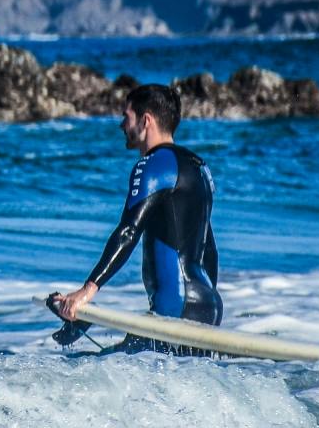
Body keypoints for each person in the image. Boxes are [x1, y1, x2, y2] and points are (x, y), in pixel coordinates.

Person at [51, 83, 221, 351]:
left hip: (175, 306)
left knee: (102, 369)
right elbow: (208, 249)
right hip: (208, 303)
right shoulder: (199, 167)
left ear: (145, 121)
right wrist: (205, 302)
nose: (121, 125)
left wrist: (88, 290)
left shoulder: (155, 165)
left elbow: (128, 231)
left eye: (126, 117)